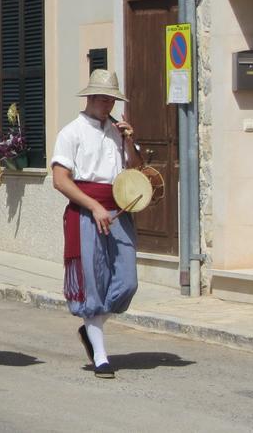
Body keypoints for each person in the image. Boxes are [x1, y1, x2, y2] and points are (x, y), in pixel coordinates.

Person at [51, 69, 142, 379]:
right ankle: (100, 354)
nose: (108, 104)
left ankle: (91, 329)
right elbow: (60, 180)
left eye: (112, 99)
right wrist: (93, 207)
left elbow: (137, 170)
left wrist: (130, 142)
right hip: (87, 211)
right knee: (93, 280)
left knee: (127, 280)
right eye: (103, 98)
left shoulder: (118, 131)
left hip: (119, 208)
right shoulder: (71, 132)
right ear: (90, 97)